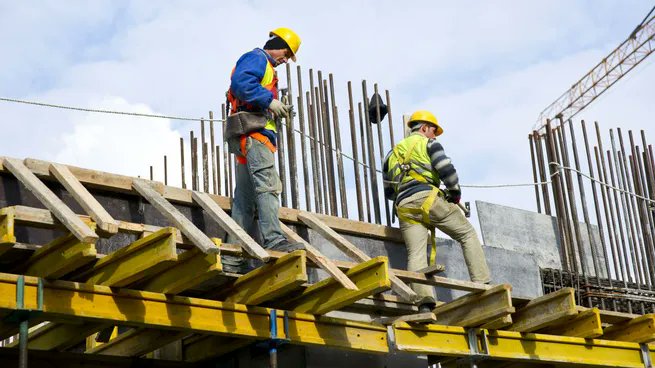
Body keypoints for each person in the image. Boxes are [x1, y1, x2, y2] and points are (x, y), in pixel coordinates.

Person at [383, 110, 491, 312]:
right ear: (424, 128)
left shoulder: (391, 154)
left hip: (404, 206)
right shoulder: (429, 144)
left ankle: (424, 303)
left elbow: (389, 191)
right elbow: (447, 171)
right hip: (429, 199)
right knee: (467, 234)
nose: (434, 135)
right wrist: (454, 193)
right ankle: (482, 285)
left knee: (415, 254)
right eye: (433, 131)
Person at [223, 27, 303, 273]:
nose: (286, 60)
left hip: (248, 136)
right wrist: (270, 101)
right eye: (286, 54)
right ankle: (274, 239)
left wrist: (276, 109)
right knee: (268, 186)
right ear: (277, 44)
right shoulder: (258, 58)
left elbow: (250, 92)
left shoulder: (266, 68)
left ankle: (232, 259)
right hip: (255, 136)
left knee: (245, 201)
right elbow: (241, 83)